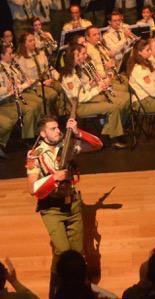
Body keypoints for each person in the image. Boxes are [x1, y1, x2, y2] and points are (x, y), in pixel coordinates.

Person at [26, 116, 103, 277]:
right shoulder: (35, 154)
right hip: (51, 208)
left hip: (73, 204)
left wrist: (77, 132)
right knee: (62, 252)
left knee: (78, 252)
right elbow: (32, 188)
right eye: (52, 129)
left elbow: (97, 145)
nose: (58, 131)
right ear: (43, 133)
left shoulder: (68, 144)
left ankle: (80, 283)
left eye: (58, 127)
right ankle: (56, 284)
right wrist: (53, 178)